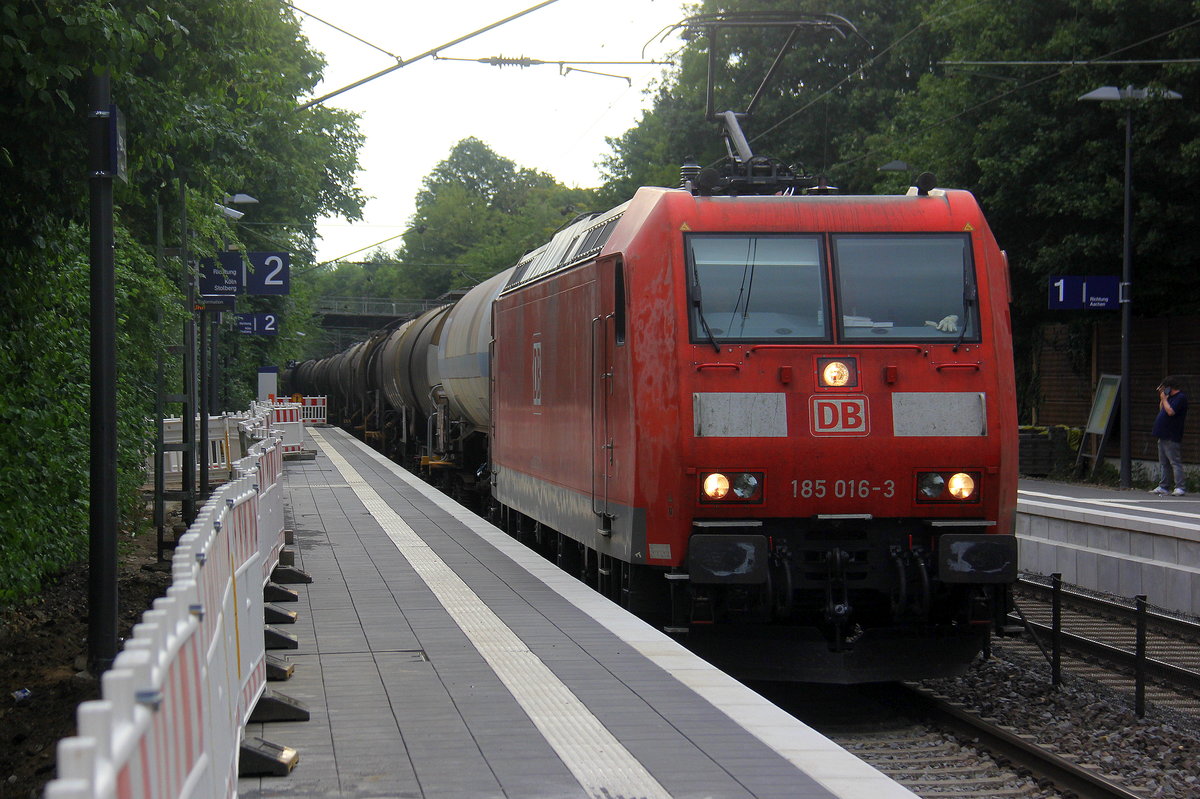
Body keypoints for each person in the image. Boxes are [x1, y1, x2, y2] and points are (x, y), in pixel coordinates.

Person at [1150, 376, 1188, 496]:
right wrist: (1162, 399)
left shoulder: (1180, 398)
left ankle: (1180, 487)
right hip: (1162, 434)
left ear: (1169, 388)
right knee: (1164, 462)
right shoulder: (1169, 398)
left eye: (1164, 388)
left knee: (1174, 462)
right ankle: (1164, 486)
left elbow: (1171, 412)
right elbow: (1163, 409)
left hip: (1172, 434)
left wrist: (1165, 399)